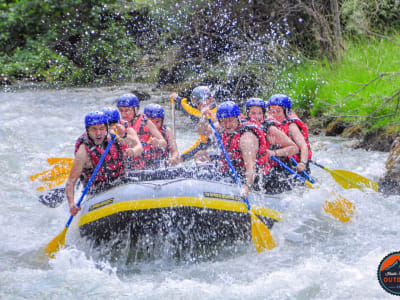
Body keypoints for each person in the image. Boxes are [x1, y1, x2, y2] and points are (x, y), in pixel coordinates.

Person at [200, 101, 298, 197]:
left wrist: (246, 186)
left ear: (237, 118)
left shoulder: (246, 139)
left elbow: (251, 167)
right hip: (234, 171)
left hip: (259, 180)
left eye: (230, 120)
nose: (227, 125)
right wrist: (203, 118)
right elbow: (203, 131)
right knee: (201, 156)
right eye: (223, 121)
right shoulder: (226, 127)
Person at [66, 111, 140, 216]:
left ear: (106, 128)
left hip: (120, 184)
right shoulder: (83, 152)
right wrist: (72, 204)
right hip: (98, 193)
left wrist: (124, 135)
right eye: (94, 129)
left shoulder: (113, 137)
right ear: (87, 130)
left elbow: (134, 144)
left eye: (101, 128)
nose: (98, 133)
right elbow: (70, 182)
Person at [116, 93, 167, 169]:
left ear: (135, 109)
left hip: (148, 164)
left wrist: (158, 142)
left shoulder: (146, 122)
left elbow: (164, 143)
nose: (123, 114)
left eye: (127, 110)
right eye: (121, 111)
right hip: (128, 165)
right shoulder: (118, 125)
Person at [266, 94, 312, 173]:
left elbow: (303, 146)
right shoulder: (269, 125)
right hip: (280, 162)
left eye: (278, 111)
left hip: (296, 164)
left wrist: (303, 163)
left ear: (286, 111)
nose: (275, 114)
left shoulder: (291, 126)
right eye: (272, 111)